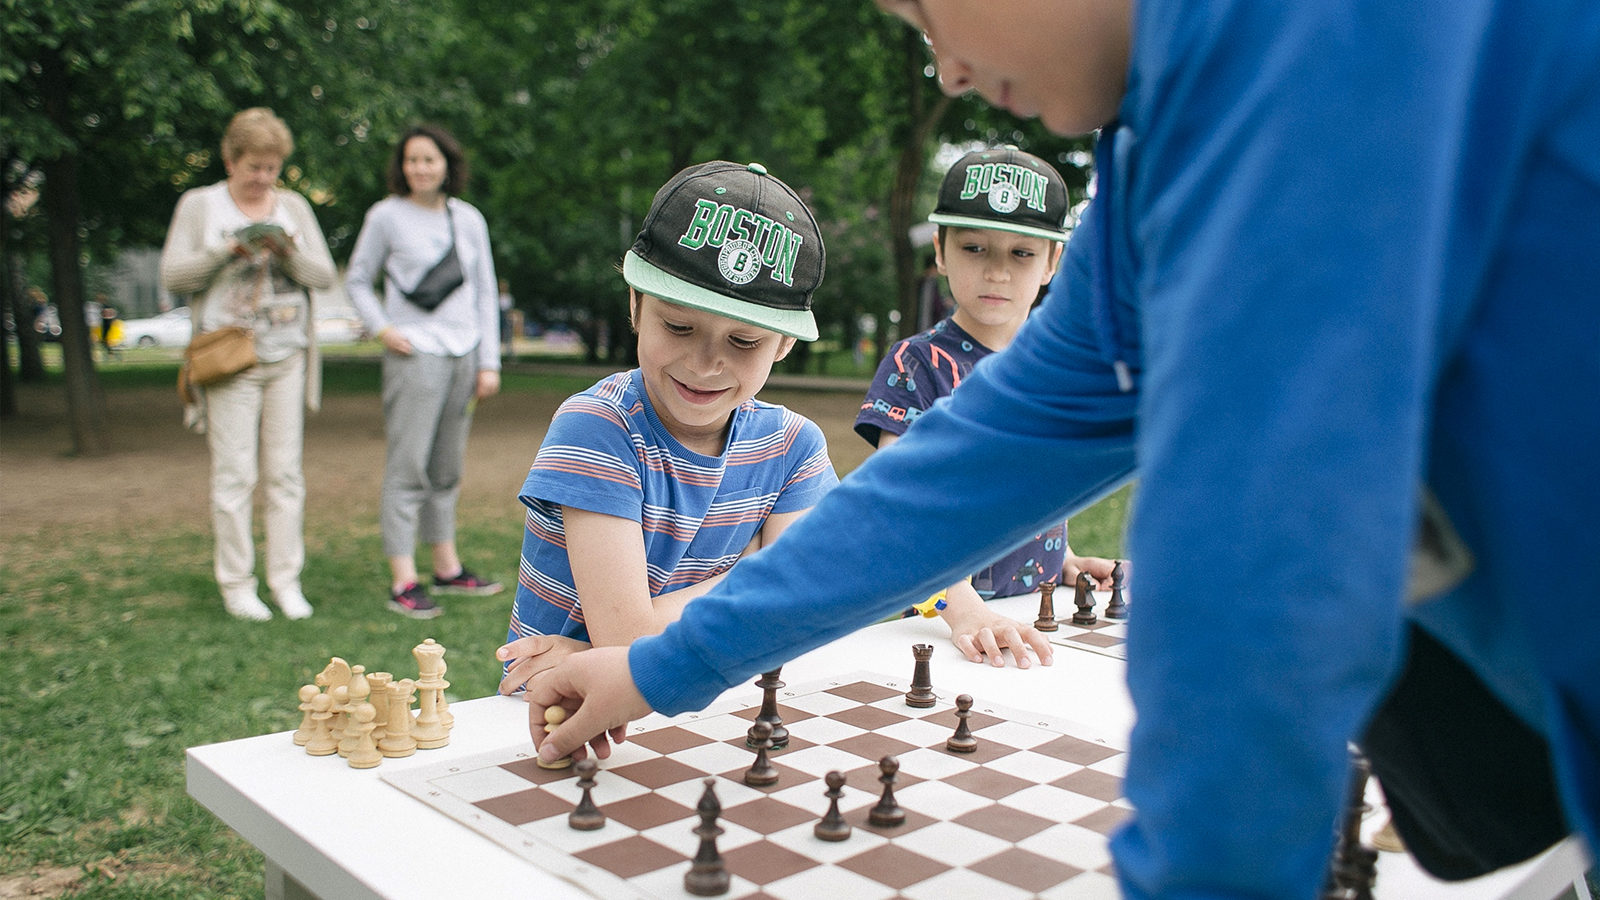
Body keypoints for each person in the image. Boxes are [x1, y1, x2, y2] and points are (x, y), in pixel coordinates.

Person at [525, 1, 1600, 898]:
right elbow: (971, 465)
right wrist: (663, 665)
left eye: (928, 8)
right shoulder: (1153, 144)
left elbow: (1254, 570)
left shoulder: (1303, 41)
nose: (942, 70)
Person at [495, 161, 839, 705]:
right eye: (678, 326)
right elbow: (628, 642)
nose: (705, 364)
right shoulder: (597, 427)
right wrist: (761, 568)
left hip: (716, 700)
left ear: (784, 344)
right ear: (635, 304)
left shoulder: (795, 446)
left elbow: (808, 605)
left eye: (744, 342)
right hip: (562, 713)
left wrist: (600, 649)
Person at [856, 146, 1119, 669]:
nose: (997, 271)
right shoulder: (918, 363)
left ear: (1052, 262)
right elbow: (900, 507)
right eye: (975, 248)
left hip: (1039, 615)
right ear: (940, 250)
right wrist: (965, 611)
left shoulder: (1058, 367)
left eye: (1021, 253)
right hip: (944, 625)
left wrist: (1062, 562)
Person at [159, 107, 337, 621]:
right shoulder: (199, 204)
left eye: (272, 168)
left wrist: (287, 252)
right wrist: (224, 251)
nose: (263, 177)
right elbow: (174, 273)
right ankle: (237, 582)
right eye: (254, 166)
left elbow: (322, 275)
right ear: (230, 159)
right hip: (229, 355)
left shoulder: (294, 205)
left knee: (285, 475)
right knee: (235, 474)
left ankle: (286, 581)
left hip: (287, 352)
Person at [346, 124, 505, 619]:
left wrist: (489, 360)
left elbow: (484, 290)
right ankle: (403, 579)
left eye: (429, 159)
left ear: (447, 165)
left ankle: (447, 567)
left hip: (463, 353)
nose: (420, 168)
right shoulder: (386, 216)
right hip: (416, 355)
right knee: (408, 466)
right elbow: (356, 279)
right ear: (401, 167)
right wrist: (383, 329)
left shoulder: (468, 218)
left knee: (446, 468)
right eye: (412, 160)